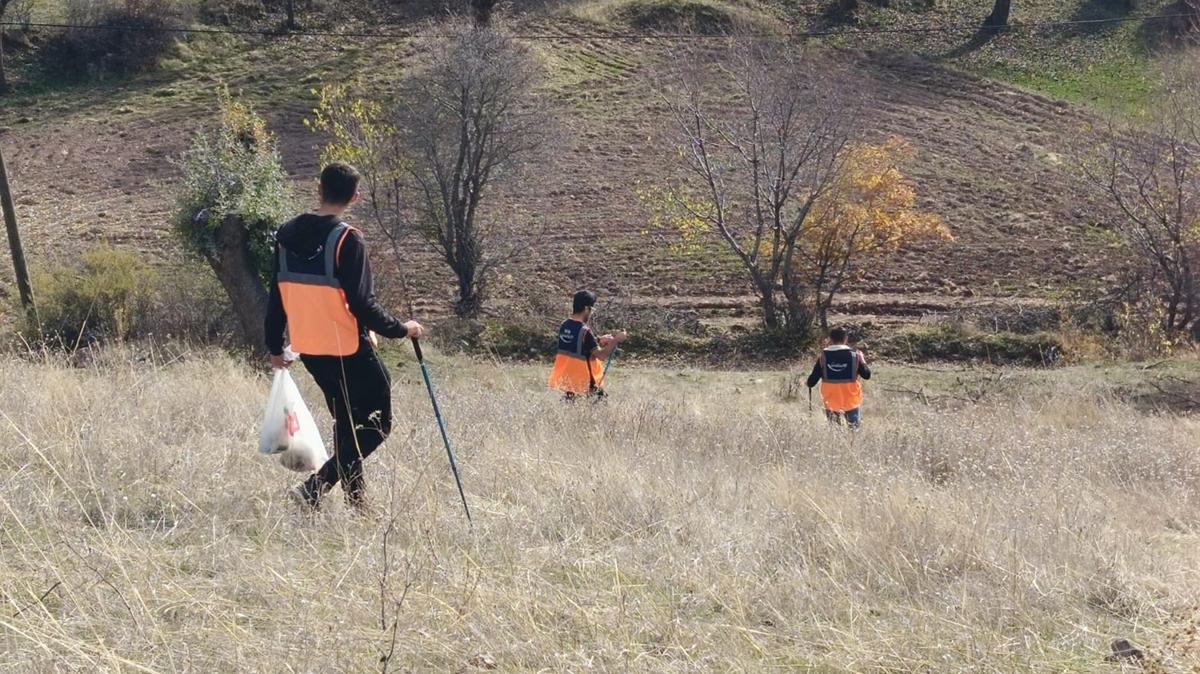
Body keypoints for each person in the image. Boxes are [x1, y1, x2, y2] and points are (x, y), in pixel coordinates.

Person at [264, 162, 423, 512]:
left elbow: (277, 296)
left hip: (310, 349)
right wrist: (402, 329)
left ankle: (356, 504)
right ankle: (315, 487)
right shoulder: (347, 239)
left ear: (318, 190)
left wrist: (275, 346)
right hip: (348, 349)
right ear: (354, 196)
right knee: (378, 426)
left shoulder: (284, 235)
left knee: (347, 425)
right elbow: (362, 303)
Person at [548, 290, 626, 399]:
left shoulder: (564, 325)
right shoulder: (585, 331)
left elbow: (576, 345)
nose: (591, 313)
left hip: (569, 382)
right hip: (586, 384)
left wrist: (598, 340)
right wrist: (616, 340)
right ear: (586, 309)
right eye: (591, 309)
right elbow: (601, 355)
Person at [806, 327, 871, 429]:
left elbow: (811, 382)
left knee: (835, 432)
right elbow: (867, 375)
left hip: (831, 400)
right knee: (854, 430)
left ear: (831, 340)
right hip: (851, 399)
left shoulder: (823, 356)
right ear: (845, 339)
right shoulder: (855, 355)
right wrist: (862, 361)